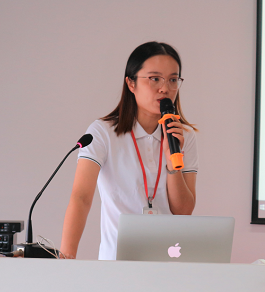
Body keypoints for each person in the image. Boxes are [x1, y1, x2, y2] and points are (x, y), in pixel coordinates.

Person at [60, 42, 198, 260]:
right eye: (155, 79)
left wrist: (173, 164)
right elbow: (81, 198)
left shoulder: (183, 137)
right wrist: (66, 258)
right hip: (116, 262)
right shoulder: (102, 132)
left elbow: (183, 211)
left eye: (173, 80)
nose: (165, 88)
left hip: (168, 263)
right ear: (131, 83)